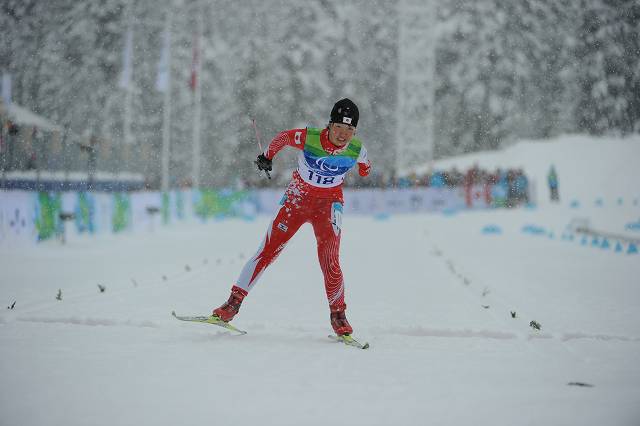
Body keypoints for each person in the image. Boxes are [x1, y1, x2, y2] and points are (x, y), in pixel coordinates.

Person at [212, 98, 371, 336]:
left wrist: (364, 169)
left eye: (350, 129)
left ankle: (338, 315)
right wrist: (267, 156)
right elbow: (284, 137)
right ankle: (232, 304)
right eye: (339, 127)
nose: (343, 134)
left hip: (329, 205)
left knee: (330, 260)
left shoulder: (357, 149)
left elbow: (366, 166)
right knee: (267, 250)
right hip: (297, 200)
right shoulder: (311, 137)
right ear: (329, 125)